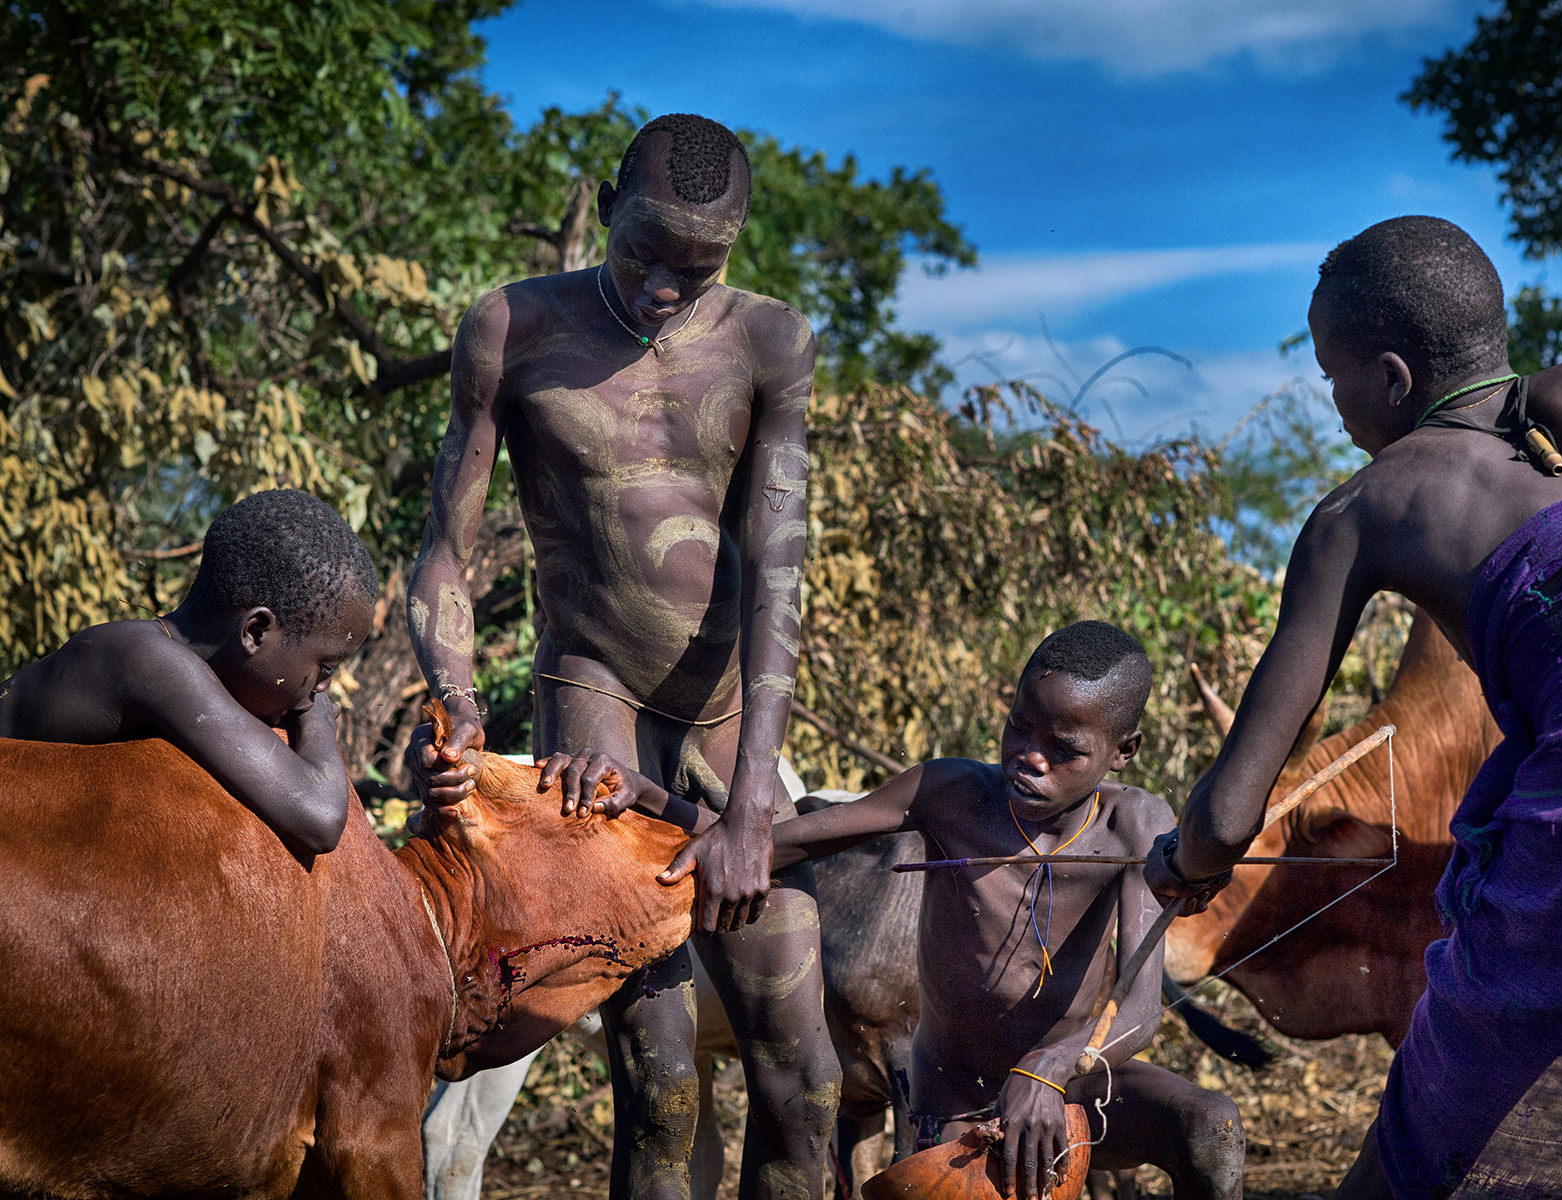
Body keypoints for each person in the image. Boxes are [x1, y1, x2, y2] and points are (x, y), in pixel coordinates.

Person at [1145, 215, 1562, 1199]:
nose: (1333, 406)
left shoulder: (1362, 511)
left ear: (1393, 378)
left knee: (1419, 1160)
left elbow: (1232, 812)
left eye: (1332, 378)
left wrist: (1182, 863)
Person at [405, 112, 837, 1200]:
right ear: (603, 206)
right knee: (660, 1082)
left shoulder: (770, 343)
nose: (660, 288)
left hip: (731, 711)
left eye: (695, 269)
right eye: (642, 253)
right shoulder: (510, 328)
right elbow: (443, 558)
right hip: (591, 699)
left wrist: (750, 809)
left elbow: (779, 573)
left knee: (806, 1077)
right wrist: (456, 700)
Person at [655, 621, 1243, 1198]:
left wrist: (1048, 1069)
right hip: (957, 1111)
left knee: (1210, 1124)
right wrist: (650, 797)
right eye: (1018, 727)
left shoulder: (1135, 825)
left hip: (1072, 1085)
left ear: (1123, 752)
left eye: (1063, 750)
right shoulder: (951, 795)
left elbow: (1141, 1012)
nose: (1030, 758)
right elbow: (775, 842)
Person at [0, 488, 374, 858]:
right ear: (255, 632)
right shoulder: (149, 662)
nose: (324, 686)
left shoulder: (157, 653)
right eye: (324, 667)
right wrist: (319, 719)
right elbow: (318, 819)